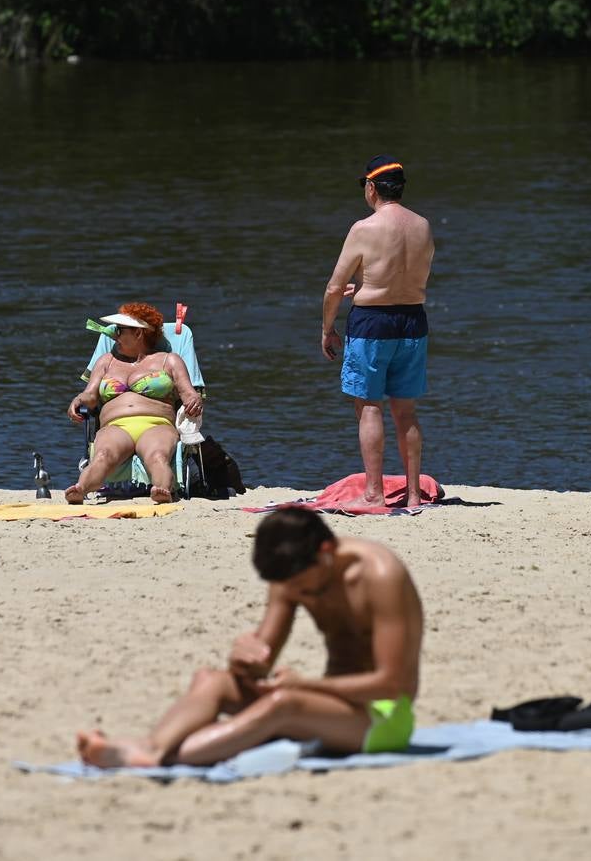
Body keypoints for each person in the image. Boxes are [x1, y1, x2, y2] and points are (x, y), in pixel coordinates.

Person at [76, 507, 423, 768]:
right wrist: (242, 659)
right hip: (326, 706)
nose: (306, 597)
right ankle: (152, 749)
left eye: (308, 589)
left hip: (383, 718)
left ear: (327, 551)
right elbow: (259, 665)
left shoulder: (380, 576)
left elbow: (394, 685)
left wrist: (304, 686)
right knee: (211, 680)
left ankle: (158, 759)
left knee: (284, 703)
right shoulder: (290, 575)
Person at [322, 155, 435, 508]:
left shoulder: (363, 228)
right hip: (413, 321)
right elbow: (406, 275)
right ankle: (414, 493)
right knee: (406, 410)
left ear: (371, 188)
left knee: (369, 405)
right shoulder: (423, 226)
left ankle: (374, 492)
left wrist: (327, 329)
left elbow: (333, 288)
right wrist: (372, 287)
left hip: (372, 324)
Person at [65, 302, 203, 504]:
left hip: (157, 424)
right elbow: (90, 395)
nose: (115, 335)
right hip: (115, 426)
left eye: (120, 330)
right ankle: (81, 489)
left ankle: (162, 490)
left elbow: (189, 393)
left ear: (139, 333)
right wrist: (78, 400)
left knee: (157, 456)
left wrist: (195, 400)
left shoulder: (169, 360)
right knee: (103, 455)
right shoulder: (106, 361)